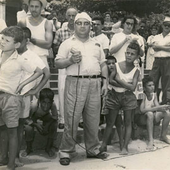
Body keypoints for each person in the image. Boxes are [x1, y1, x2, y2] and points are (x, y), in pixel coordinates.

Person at [55, 12, 108, 166]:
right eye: (79, 23)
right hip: (75, 83)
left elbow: (103, 64)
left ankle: (93, 149)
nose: (83, 26)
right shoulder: (67, 43)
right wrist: (70, 60)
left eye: (86, 23)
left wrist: (105, 82)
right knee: (72, 119)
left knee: (93, 119)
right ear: (74, 24)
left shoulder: (97, 43)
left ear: (90, 26)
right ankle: (66, 151)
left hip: (95, 82)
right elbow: (58, 63)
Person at [0, 26, 40, 170]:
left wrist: (23, 83)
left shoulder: (21, 59)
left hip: (11, 98)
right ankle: (3, 159)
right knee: (2, 130)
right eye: (2, 39)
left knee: (12, 132)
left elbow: (38, 71)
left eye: (7, 40)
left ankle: (11, 164)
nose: (2, 42)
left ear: (16, 44)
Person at [15, 27, 50, 167]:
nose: (16, 42)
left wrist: (36, 89)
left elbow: (46, 73)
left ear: (27, 40)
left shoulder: (32, 55)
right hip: (8, 95)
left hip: (23, 97)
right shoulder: (9, 53)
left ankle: (16, 156)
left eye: (20, 38)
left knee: (18, 128)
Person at [100, 41, 141, 155]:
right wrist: (126, 85)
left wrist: (120, 80)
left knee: (128, 122)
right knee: (110, 122)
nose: (129, 55)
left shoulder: (136, 71)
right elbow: (111, 80)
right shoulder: (117, 65)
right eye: (127, 53)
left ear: (137, 56)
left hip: (128, 97)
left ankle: (125, 147)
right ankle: (103, 145)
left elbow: (133, 88)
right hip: (114, 95)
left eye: (132, 54)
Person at [53, 7, 78, 129]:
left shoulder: (82, 31)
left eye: (74, 15)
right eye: (69, 15)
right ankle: (62, 119)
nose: (72, 18)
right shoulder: (60, 32)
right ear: (66, 16)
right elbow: (55, 47)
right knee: (62, 90)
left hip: (78, 64)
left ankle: (80, 118)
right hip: (64, 64)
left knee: (79, 91)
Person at [18, 0, 53, 72]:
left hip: (42, 59)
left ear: (41, 8)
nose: (34, 9)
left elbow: (48, 44)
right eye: (31, 6)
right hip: (25, 59)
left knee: (43, 82)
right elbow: (18, 42)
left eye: (36, 7)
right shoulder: (23, 22)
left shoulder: (47, 23)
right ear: (28, 7)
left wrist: (30, 39)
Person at [136, 76, 170, 150]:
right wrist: (156, 108)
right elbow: (142, 110)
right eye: (149, 85)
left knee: (167, 113)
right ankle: (150, 140)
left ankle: (163, 136)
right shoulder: (143, 95)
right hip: (142, 119)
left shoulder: (154, 95)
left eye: (153, 85)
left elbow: (157, 106)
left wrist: (163, 107)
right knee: (150, 114)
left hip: (151, 118)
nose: (152, 87)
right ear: (144, 88)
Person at [24, 88, 58, 157]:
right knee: (28, 128)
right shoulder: (34, 105)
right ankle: (28, 148)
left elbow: (55, 117)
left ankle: (48, 148)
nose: (46, 106)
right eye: (44, 102)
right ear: (39, 101)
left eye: (49, 103)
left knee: (54, 124)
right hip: (33, 117)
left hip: (45, 116)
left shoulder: (53, 105)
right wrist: (36, 125)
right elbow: (26, 119)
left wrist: (47, 126)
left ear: (52, 102)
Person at [101, 55, 124, 151]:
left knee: (118, 122)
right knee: (110, 122)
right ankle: (104, 144)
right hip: (108, 101)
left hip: (118, 100)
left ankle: (122, 143)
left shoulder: (118, 75)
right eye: (108, 63)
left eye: (113, 63)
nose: (111, 65)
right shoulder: (103, 76)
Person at [149, 16, 170, 104]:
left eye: (169, 25)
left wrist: (160, 46)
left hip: (167, 61)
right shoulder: (156, 36)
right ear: (162, 25)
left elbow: (158, 47)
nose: (167, 27)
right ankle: (153, 102)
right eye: (165, 25)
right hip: (157, 61)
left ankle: (166, 103)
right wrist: (166, 46)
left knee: (167, 84)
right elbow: (154, 48)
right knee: (153, 81)